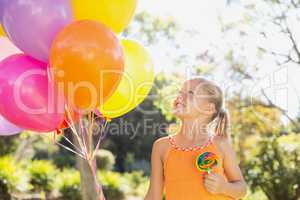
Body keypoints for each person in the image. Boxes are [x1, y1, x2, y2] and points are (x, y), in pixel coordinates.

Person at [145, 77, 247, 200]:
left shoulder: (220, 144)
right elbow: (153, 196)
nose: (180, 96)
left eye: (190, 93)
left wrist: (224, 187)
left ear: (208, 108)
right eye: (180, 92)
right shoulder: (161, 147)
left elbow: (241, 189)